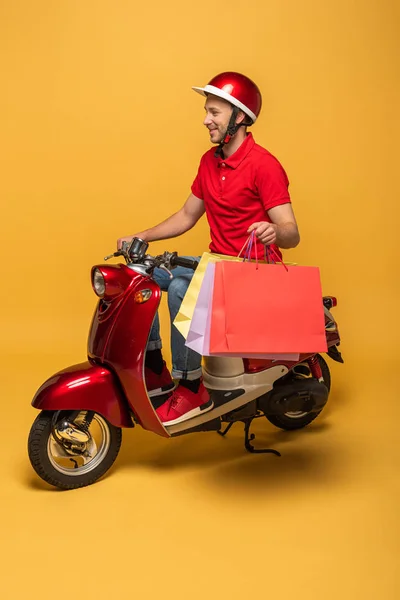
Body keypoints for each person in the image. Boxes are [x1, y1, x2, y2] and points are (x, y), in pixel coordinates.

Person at [117, 72, 300, 427]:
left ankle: (191, 385)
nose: (206, 120)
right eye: (206, 111)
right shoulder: (209, 161)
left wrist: (273, 231)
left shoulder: (264, 165)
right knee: (143, 275)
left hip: (254, 272)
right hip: (218, 266)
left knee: (184, 290)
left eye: (214, 112)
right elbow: (187, 215)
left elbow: (292, 234)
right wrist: (140, 237)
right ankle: (154, 367)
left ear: (240, 117)